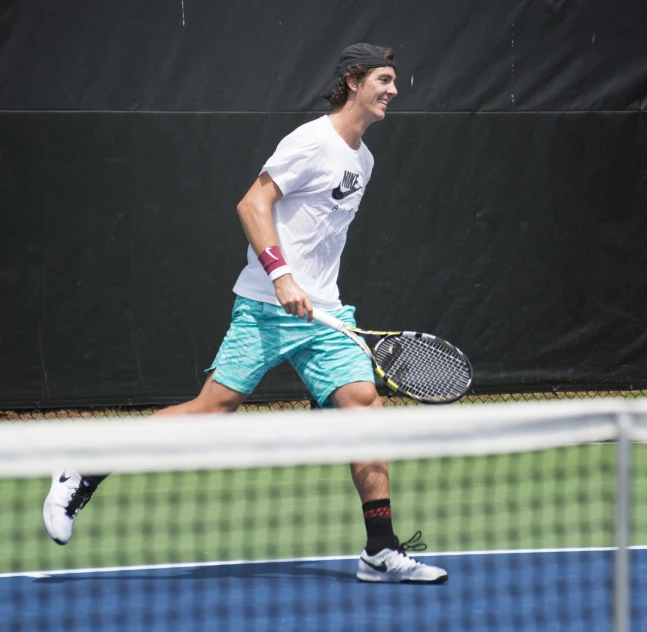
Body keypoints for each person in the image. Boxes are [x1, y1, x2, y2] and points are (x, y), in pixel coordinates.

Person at [43, 43, 448, 584]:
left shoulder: (365, 160)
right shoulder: (310, 142)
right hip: (266, 306)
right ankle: (84, 466)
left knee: (364, 410)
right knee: (213, 410)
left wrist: (318, 297)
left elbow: (321, 240)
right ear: (353, 81)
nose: (393, 90)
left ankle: (380, 550)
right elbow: (252, 204)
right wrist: (281, 276)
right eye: (384, 78)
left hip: (326, 314)